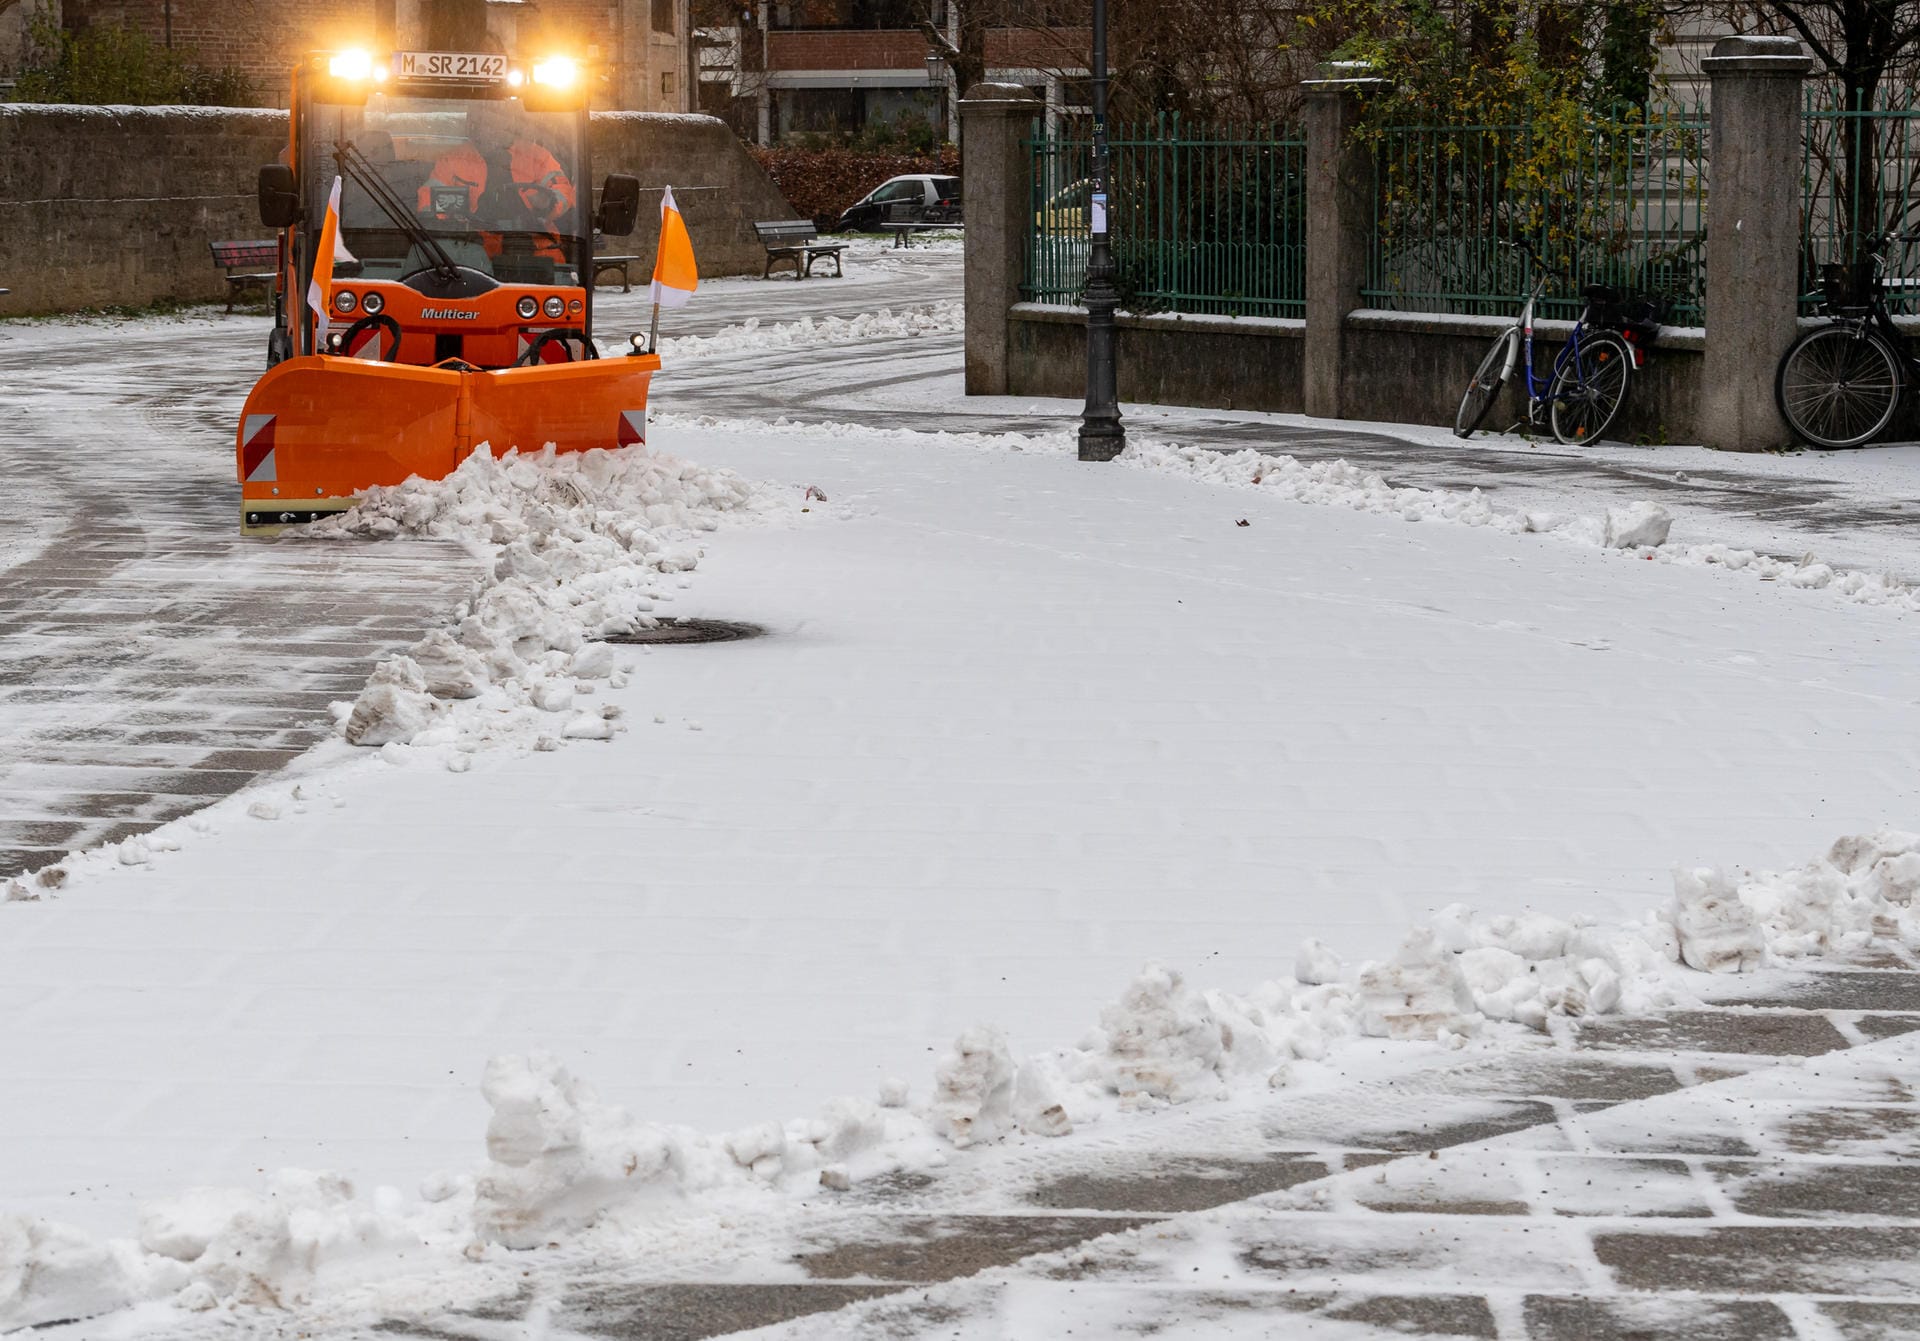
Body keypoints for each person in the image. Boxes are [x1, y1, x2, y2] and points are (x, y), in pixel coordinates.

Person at [417, 101, 577, 261]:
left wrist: (549, 203)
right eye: (484, 121)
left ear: (511, 123)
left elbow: (563, 190)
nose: (492, 128)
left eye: (498, 121)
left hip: (532, 239)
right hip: (470, 244)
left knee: (555, 266)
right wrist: (447, 222)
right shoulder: (453, 159)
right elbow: (428, 197)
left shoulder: (537, 157)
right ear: (473, 125)